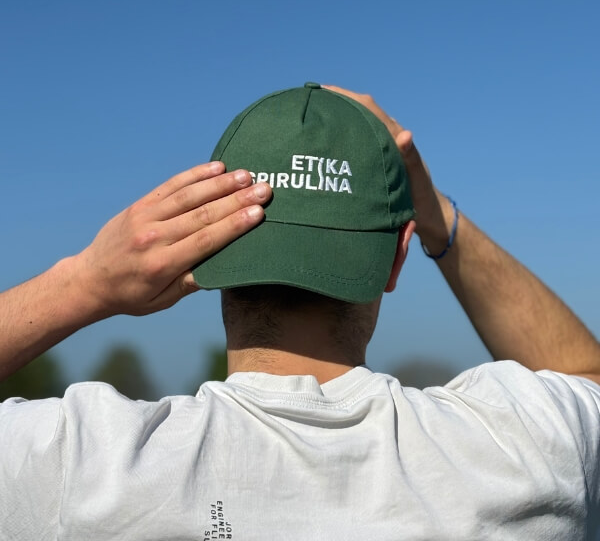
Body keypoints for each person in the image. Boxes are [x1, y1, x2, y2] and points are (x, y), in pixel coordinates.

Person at [1, 83, 599, 540]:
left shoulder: (81, 467)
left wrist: (83, 283)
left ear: (208, 252)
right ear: (396, 259)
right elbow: (584, 371)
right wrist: (433, 210)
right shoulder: (520, 450)